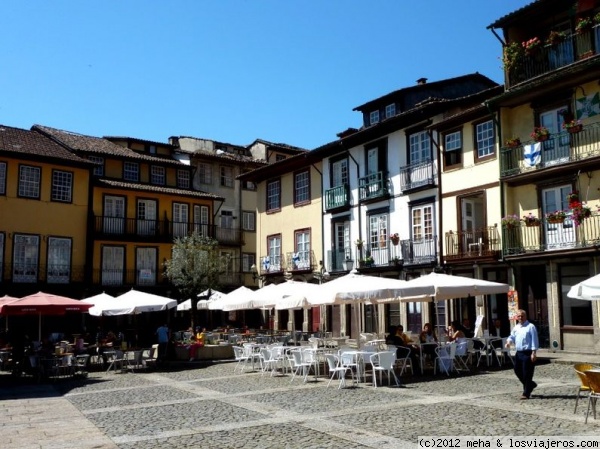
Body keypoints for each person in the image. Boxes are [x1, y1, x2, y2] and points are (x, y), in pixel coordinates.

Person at [506, 309, 538, 399]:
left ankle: (526, 393)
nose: (520, 318)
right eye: (519, 316)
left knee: (527, 373)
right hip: (519, 352)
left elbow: (534, 340)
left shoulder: (530, 326)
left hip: (528, 352)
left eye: (522, 316)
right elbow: (512, 336)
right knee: (517, 370)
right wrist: (509, 342)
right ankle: (531, 385)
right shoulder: (516, 327)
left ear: (525, 316)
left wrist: (533, 352)